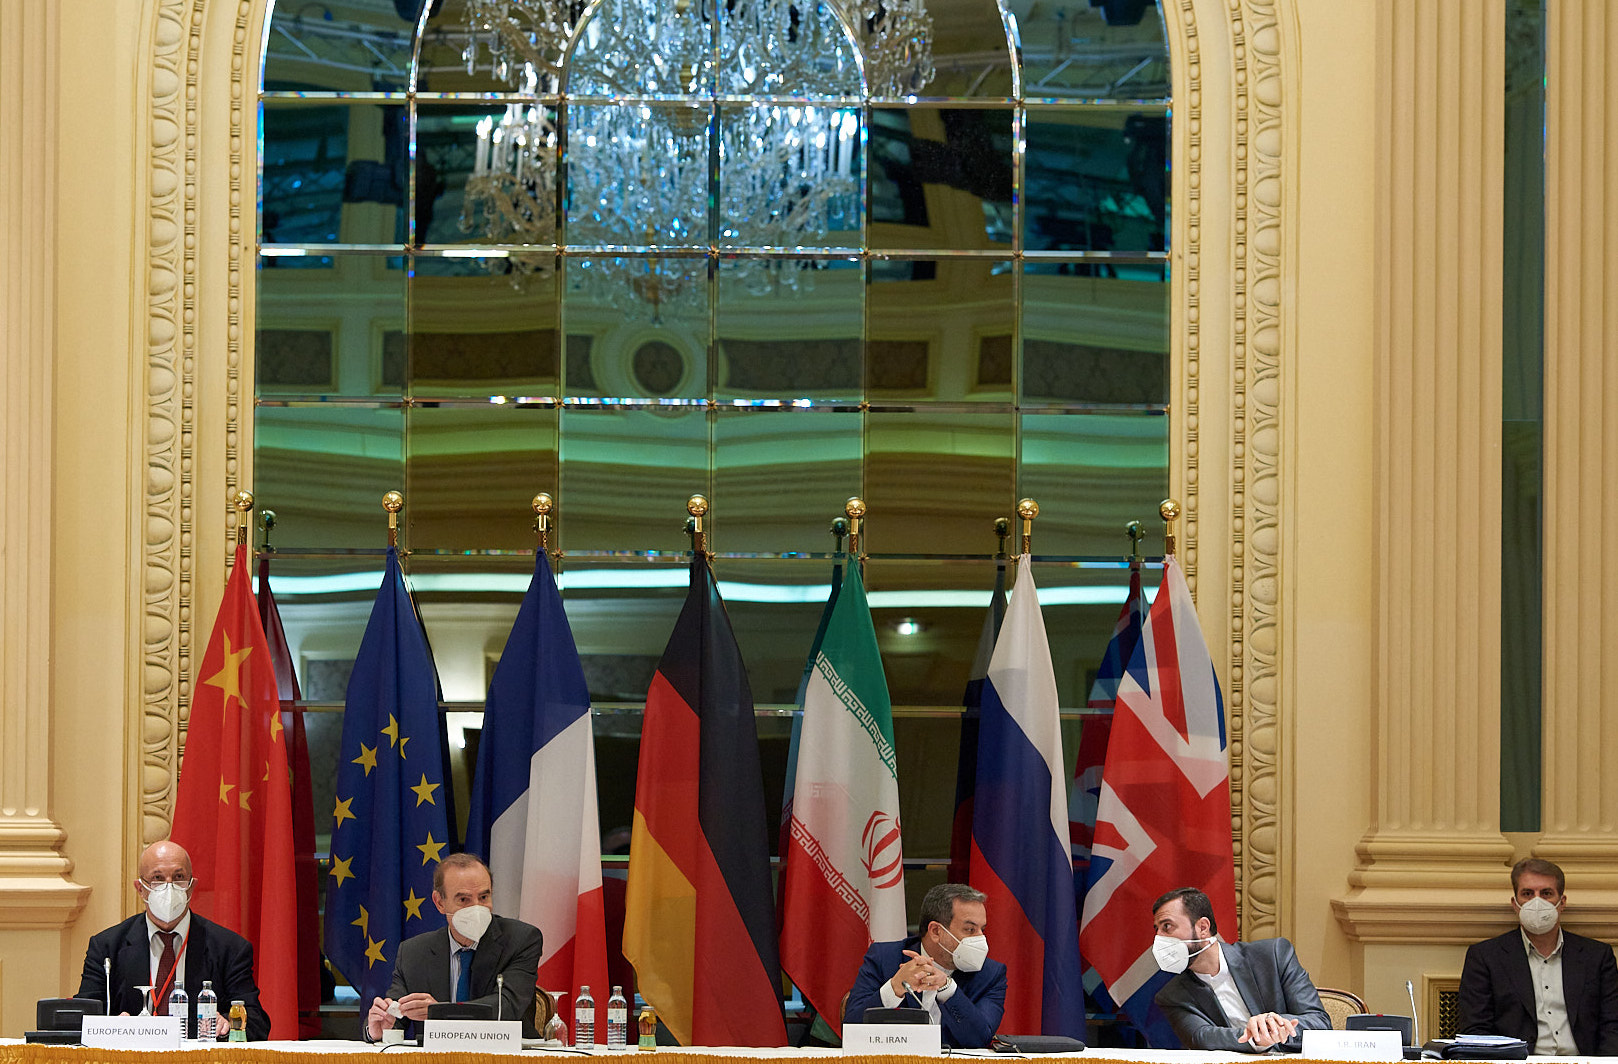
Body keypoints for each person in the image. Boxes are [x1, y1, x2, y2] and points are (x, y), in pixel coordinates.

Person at [77, 839, 269, 1040]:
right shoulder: (107, 947)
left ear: (191, 887)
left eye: (179, 877)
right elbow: (81, 1018)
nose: (169, 887)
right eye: (157, 878)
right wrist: (112, 1026)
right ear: (140, 888)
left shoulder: (229, 949)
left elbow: (257, 1023)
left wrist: (228, 1026)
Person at [365, 853, 543, 1041]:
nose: (477, 908)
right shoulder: (413, 953)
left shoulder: (521, 939)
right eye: (464, 900)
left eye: (483, 897)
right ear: (439, 902)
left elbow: (506, 1006)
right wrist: (379, 1029)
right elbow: (397, 1017)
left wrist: (440, 1012)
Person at [1456, 857, 1618, 1055]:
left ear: (1562, 902)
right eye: (1527, 894)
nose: (1537, 901)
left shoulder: (1597, 957)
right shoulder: (1485, 957)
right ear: (1515, 904)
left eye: (1546, 893)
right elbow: (1476, 1031)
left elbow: (1612, 1025)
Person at [1150, 886, 1328, 1051]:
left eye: (1167, 927)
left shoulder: (1273, 956)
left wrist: (1276, 1025)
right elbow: (1202, 1037)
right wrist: (1257, 1036)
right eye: (1156, 930)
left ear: (1203, 927)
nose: (1159, 938)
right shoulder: (1171, 995)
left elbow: (1319, 1023)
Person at [843, 883, 1007, 1048]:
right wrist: (894, 988)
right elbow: (851, 1028)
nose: (981, 939)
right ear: (936, 931)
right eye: (970, 930)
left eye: (982, 930)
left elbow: (979, 1040)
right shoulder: (885, 958)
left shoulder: (990, 974)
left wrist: (948, 989)